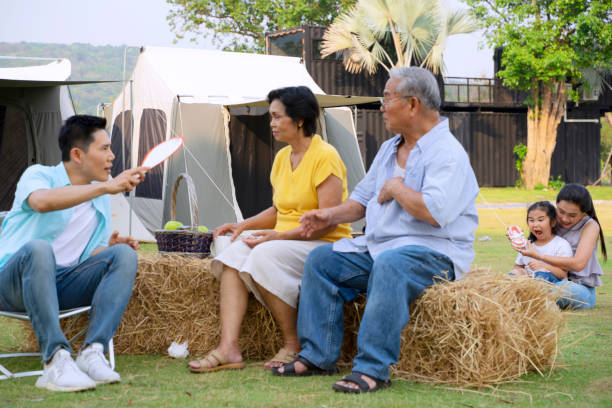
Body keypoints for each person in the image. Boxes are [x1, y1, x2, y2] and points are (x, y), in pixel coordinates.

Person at [272, 67, 479, 394]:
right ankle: (318, 355)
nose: (381, 106)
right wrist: (326, 215)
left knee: (391, 264)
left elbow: (433, 212)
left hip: (434, 253)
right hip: (379, 249)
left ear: (412, 105)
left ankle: (372, 369)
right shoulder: (388, 148)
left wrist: (397, 188)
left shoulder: (448, 154)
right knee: (322, 260)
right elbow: (360, 203)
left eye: (387, 98)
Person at [187, 86, 352, 373]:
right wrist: (243, 225)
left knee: (264, 254)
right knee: (232, 256)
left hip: (324, 243)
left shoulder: (325, 156)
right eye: (271, 117)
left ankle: (293, 344)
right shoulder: (281, 158)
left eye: (277, 117)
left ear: (299, 120)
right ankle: (229, 346)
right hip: (288, 240)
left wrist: (277, 237)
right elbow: (279, 210)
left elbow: (327, 222)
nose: (271, 123)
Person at [0, 115, 147, 392]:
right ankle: (56, 360)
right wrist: (105, 186)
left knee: (123, 256)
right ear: (77, 154)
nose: (112, 156)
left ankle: (93, 352)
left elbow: (87, 252)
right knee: (39, 250)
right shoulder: (39, 175)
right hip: (12, 284)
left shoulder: (98, 197)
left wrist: (109, 248)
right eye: (104, 149)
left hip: (61, 285)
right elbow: (41, 202)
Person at [517, 184, 606, 309]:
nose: (564, 218)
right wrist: (517, 239)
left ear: (583, 213)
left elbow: (578, 264)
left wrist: (540, 256)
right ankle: (532, 299)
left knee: (562, 290)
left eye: (572, 215)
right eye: (561, 211)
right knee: (519, 280)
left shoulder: (590, 226)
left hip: (578, 287)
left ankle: (531, 301)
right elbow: (536, 234)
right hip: (547, 279)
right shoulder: (552, 220)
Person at [510, 201, 573, 283]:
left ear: (553, 222)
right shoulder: (526, 245)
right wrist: (523, 273)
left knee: (541, 274)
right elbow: (517, 267)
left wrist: (543, 266)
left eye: (540, 220)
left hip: (552, 286)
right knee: (515, 273)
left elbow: (562, 274)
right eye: (531, 220)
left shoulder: (561, 244)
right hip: (529, 284)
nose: (535, 224)